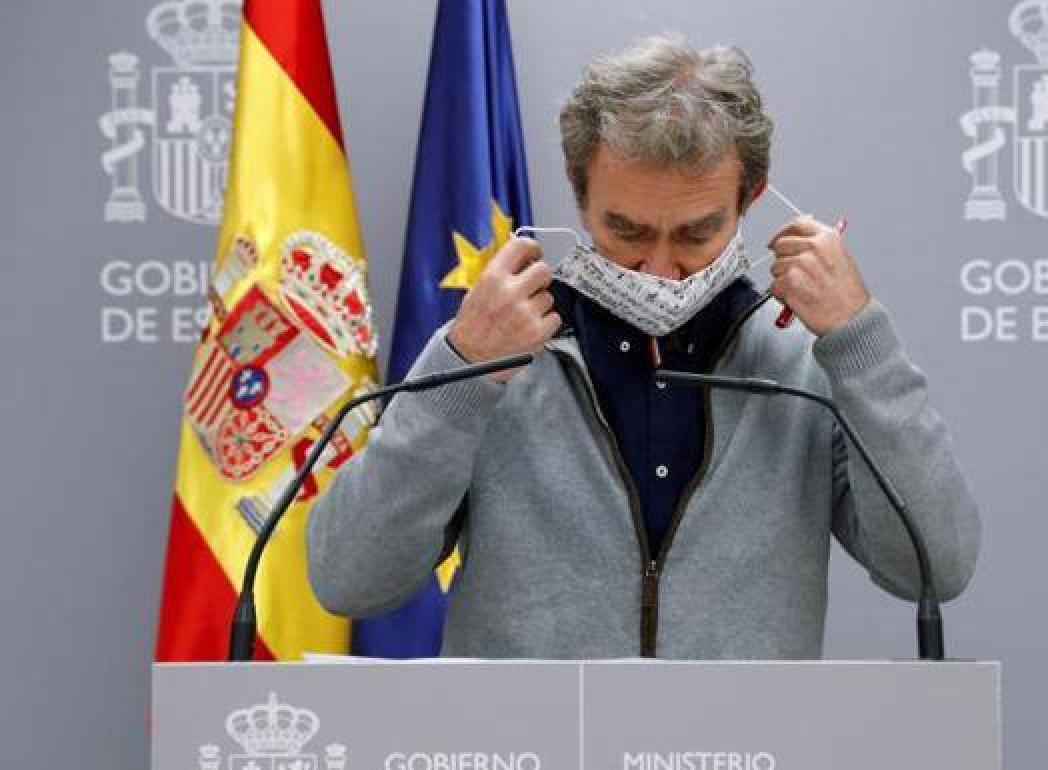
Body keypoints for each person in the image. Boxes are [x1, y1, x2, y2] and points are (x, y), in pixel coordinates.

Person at [307, 34, 981, 659]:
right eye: (626, 230)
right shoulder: (500, 350)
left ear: (748, 198)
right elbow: (349, 580)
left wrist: (859, 339)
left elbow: (935, 566)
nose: (659, 268)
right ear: (579, 196)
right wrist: (459, 371)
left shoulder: (806, 360)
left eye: (695, 233)